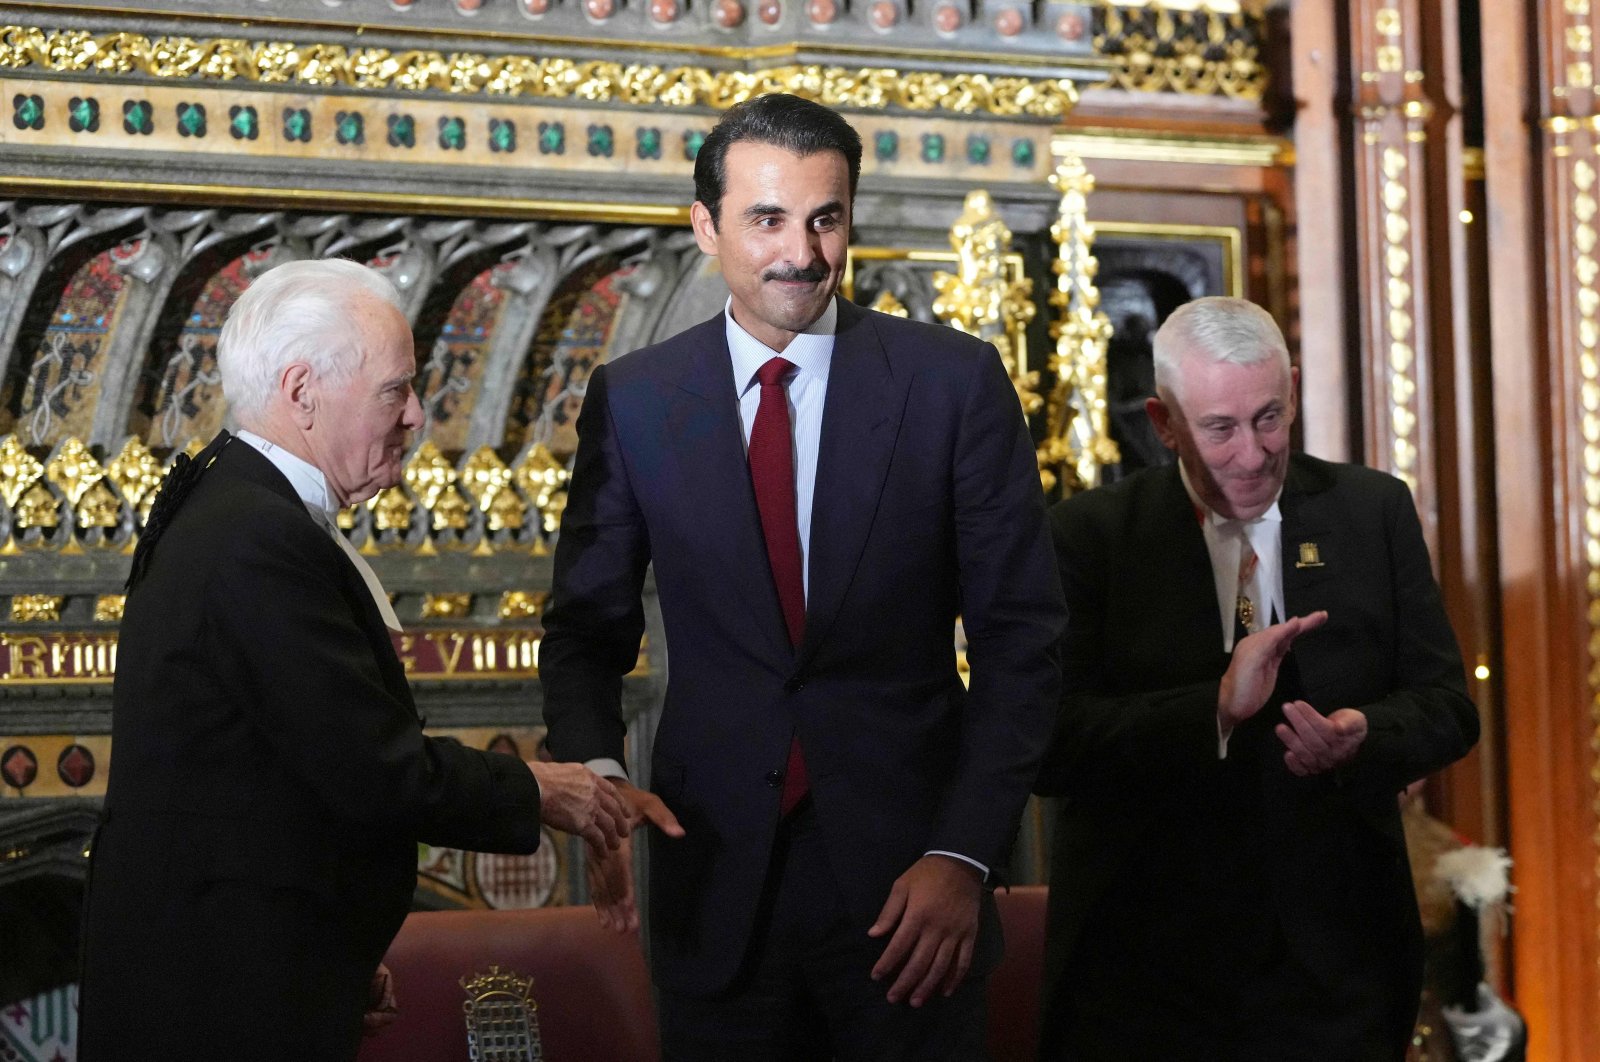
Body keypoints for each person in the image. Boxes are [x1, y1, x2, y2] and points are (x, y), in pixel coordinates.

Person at [538, 92, 1066, 1060]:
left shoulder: (952, 383)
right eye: (767, 219)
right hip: (714, 880)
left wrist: (963, 853)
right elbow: (583, 628)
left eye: (826, 219)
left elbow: (1022, 640)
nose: (801, 252)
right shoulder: (641, 400)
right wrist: (598, 775)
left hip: (915, 897)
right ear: (705, 226)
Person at [77, 259, 629, 1062]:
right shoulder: (255, 535)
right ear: (301, 391)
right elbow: (370, 766)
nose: (415, 414)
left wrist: (333, 945)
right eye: (394, 390)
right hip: (218, 1000)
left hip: (244, 965)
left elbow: (274, 773)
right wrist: (544, 788)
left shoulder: (236, 502)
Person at [1034, 295, 1480, 1061]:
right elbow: (1049, 744)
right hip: (1145, 976)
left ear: (1296, 389)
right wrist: (1211, 709)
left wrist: (1363, 736)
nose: (1252, 452)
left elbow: (1448, 708)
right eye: (1219, 429)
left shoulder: (1372, 512)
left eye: (1270, 418)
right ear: (1163, 422)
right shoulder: (1089, 537)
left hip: (1338, 971)